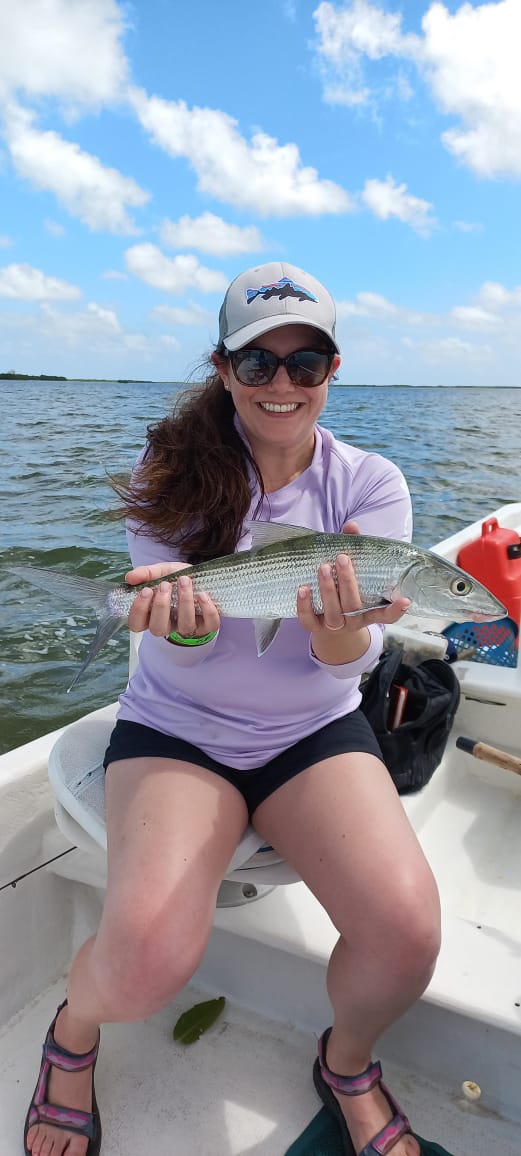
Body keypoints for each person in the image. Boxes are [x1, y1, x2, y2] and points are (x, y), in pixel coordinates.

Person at [25, 261, 440, 1156]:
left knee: (407, 935)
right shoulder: (170, 469)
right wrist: (171, 626)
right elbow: (188, 644)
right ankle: (72, 1035)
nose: (281, 385)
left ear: (334, 370)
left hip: (313, 729)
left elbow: (354, 657)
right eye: (258, 364)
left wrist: (338, 631)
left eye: (307, 362)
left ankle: (346, 1060)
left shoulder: (372, 487)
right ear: (222, 370)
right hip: (177, 729)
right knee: (141, 969)